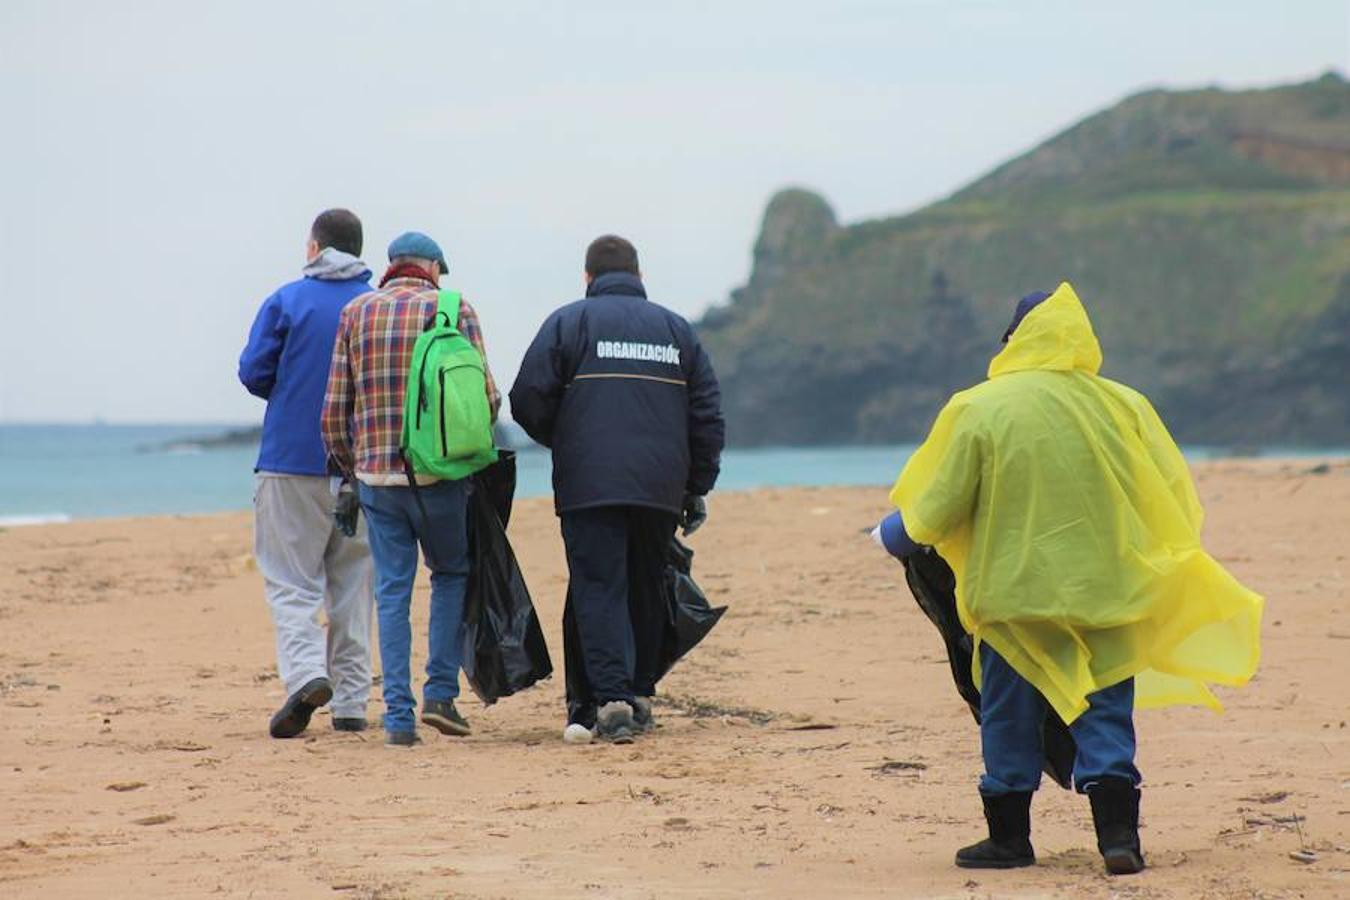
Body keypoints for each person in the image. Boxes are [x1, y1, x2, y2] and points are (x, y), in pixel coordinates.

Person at [877, 283, 1263, 875]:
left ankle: (1009, 840)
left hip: (1014, 598)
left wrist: (890, 535)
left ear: (1014, 339)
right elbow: (1166, 494)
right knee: (1104, 706)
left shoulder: (980, 407)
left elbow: (939, 507)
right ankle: (1118, 840)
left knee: (1008, 710)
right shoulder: (1124, 404)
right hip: (1108, 593)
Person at [509, 235, 725, 744]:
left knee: (598, 584)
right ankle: (641, 691)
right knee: (646, 583)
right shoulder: (676, 331)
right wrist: (696, 485)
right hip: (660, 485)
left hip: (590, 483)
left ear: (587, 278)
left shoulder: (568, 323)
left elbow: (525, 398)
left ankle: (611, 700)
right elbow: (707, 415)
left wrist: (567, 438)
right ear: (639, 275)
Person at [321, 231, 501, 747]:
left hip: (378, 477)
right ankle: (439, 693)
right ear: (432, 268)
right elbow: (486, 398)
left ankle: (398, 719)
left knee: (392, 591)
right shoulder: (455, 309)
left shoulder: (357, 312)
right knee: (450, 573)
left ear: (392, 266)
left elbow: (335, 408)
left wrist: (349, 468)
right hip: (441, 476)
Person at [238, 208, 376, 738]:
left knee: (290, 581)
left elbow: (254, 372)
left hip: (290, 459)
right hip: (363, 464)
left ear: (314, 247)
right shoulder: (373, 305)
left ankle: (305, 675)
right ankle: (351, 702)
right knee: (353, 584)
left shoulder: (288, 300)